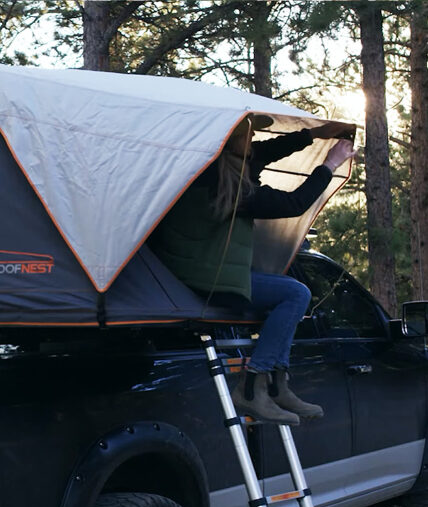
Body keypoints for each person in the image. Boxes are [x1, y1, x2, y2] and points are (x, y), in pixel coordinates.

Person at [148, 115, 356, 425]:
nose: (253, 137)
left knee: (289, 293)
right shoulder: (227, 188)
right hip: (206, 279)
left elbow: (265, 152)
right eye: (247, 133)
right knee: (295, 294)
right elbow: (293, 203)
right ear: (229, 139)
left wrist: (315, 133)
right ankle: (254, 385)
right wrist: (329, 164)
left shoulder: (212, 169)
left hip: (197, 272)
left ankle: (275, 385)